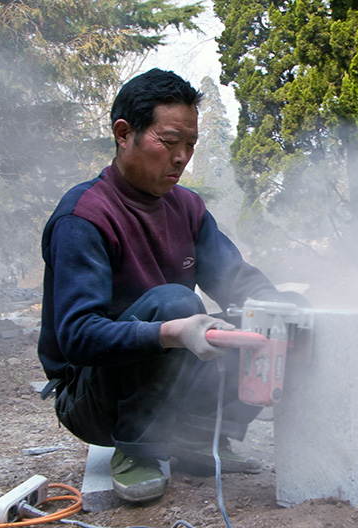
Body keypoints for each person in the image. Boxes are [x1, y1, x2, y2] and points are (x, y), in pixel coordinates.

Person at [37, 69, 306, 503]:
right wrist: (171, 333)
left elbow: (234, 277)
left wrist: (284, 308)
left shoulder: (187, 207)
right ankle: (135, 449)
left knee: (274, 314)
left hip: (166, 374)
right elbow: (77, 337)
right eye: (169, 141)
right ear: (124, 134)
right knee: (176, 304)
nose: (182, 157)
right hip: (91, 395)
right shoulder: (84, 217)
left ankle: (198, 439)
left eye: (191, 145)